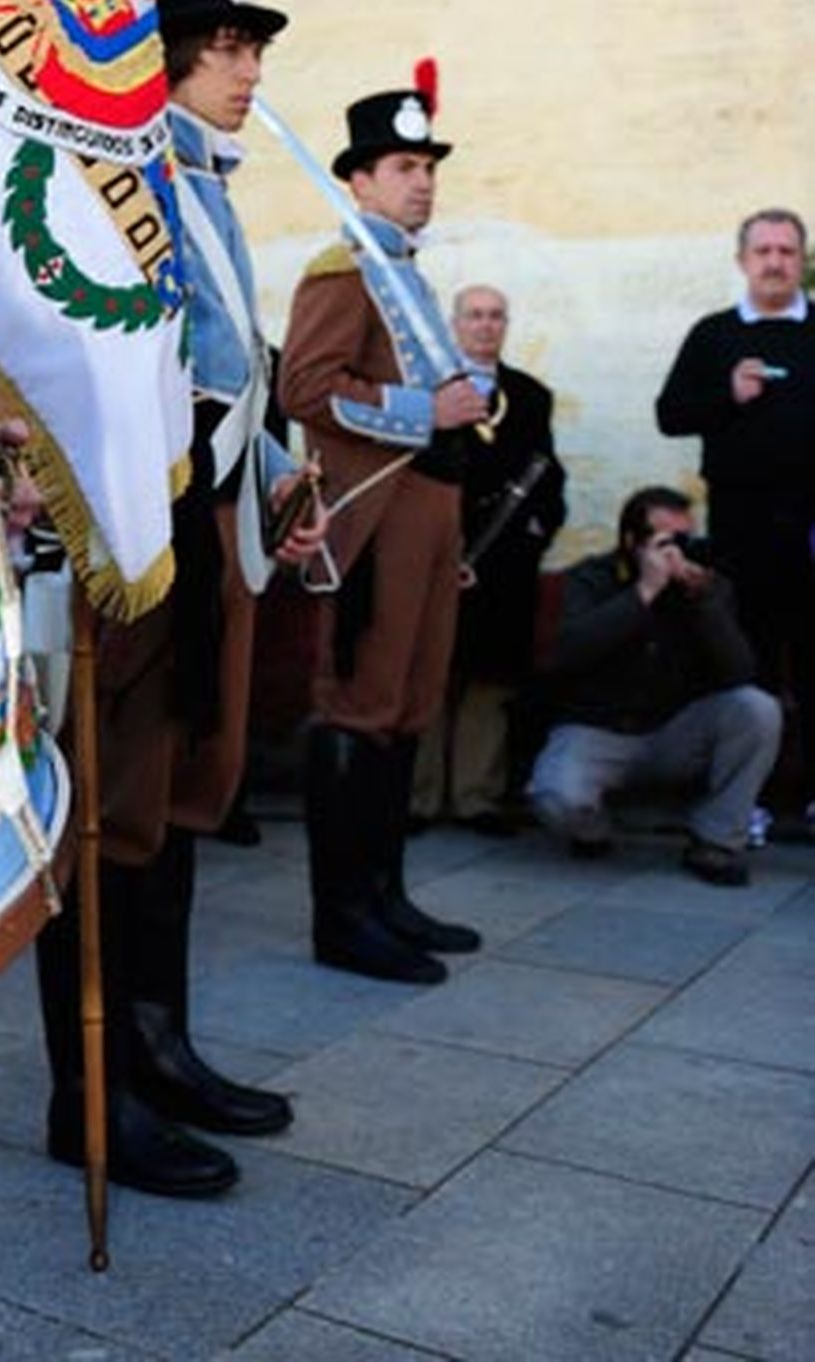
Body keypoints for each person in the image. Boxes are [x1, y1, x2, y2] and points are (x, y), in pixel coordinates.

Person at [36, 0, 323, 1200]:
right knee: (113, 809)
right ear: (154, 57)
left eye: (250, 44)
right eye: (219, 45)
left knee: (185, 792)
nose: (244, 68)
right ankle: (87, 1092)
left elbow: (235, 371)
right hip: (135, 522)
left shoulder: (203, 184)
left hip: (209, 521)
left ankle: (160, 1043)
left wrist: (273, 483)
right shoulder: (122, 177)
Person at [278, 87, 485, 985]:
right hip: (374, 508)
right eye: (404, 167)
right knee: (360, 706)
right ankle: (343, 915)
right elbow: (305, 389)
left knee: (407, 708)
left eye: (429, 168)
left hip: (430, 508)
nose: (422, 183)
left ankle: (386, 895)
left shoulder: (407, 273)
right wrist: (422, 409)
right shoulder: (342, 268)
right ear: (359, 179)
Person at [527, 486, 782, 883]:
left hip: (675, 730)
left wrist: (703, 602)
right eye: (667, 541)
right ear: (631, 541)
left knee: (757, 709)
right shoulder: (591, 578)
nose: (678, 552)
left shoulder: (706, 588)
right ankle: (594, 831)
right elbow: (569, 651)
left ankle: (715, 841)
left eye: (686, 540)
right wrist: (643, 592)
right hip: (599, 729)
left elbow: (739, 670)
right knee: (555, 797)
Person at [656, 209, 815, 832]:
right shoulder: (713, 335)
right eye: (763, 251)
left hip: (811, 532)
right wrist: (726, 393)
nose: (775, 261)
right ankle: (739, 803)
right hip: (740, 536)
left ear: (801, 258)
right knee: (742, 665)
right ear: (741, 260)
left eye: (786, 250)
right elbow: (670, 414)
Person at [411, 284, 565, 833]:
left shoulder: (530, 396)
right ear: (455, 324)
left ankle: (476, 797)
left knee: (489, 683)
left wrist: (529, 540)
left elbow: (547, 476)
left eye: (496, 315)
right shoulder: (426, 390)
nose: (485, 325)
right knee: (428, 676)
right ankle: (420, 799)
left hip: (502, 565)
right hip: (432, 552)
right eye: (474, 315)